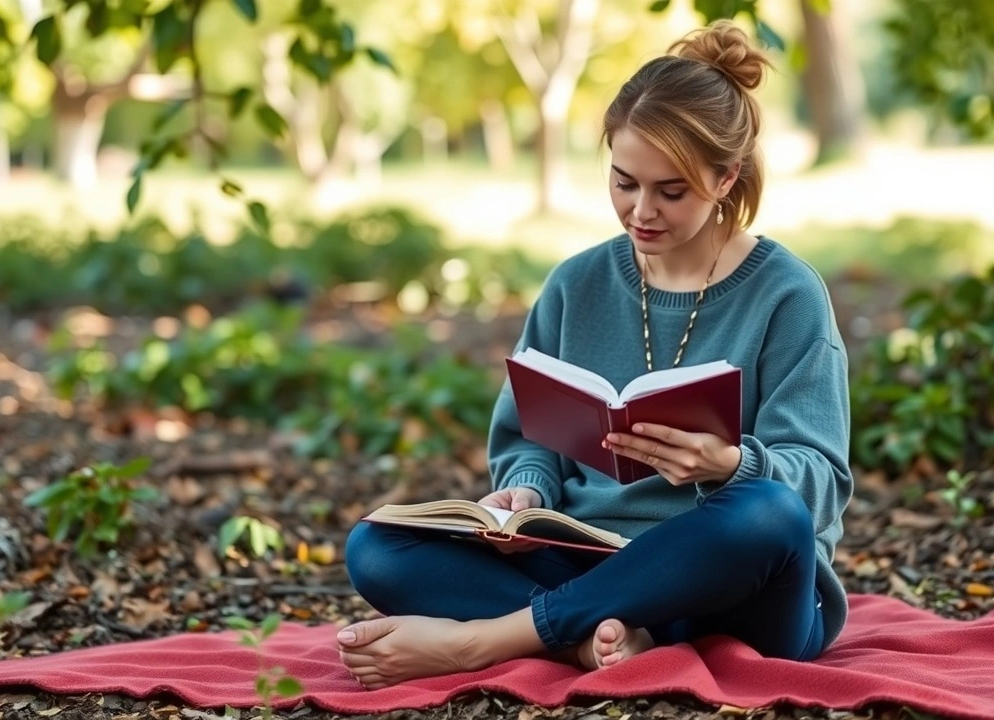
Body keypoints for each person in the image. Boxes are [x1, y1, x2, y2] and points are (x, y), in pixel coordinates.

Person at [338, 20, 853, 690]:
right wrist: (527, 489)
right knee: (377, 546)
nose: (641, 211)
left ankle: (487, 641)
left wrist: (730, 464)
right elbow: (528, 437)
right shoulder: (575, 285)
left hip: (739, 590)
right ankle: (598, 640)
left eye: (672, 191)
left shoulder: (787, 294)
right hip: (587, 561)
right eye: (623, 182)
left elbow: (819, 482)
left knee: (769, 512)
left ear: (726, 178)